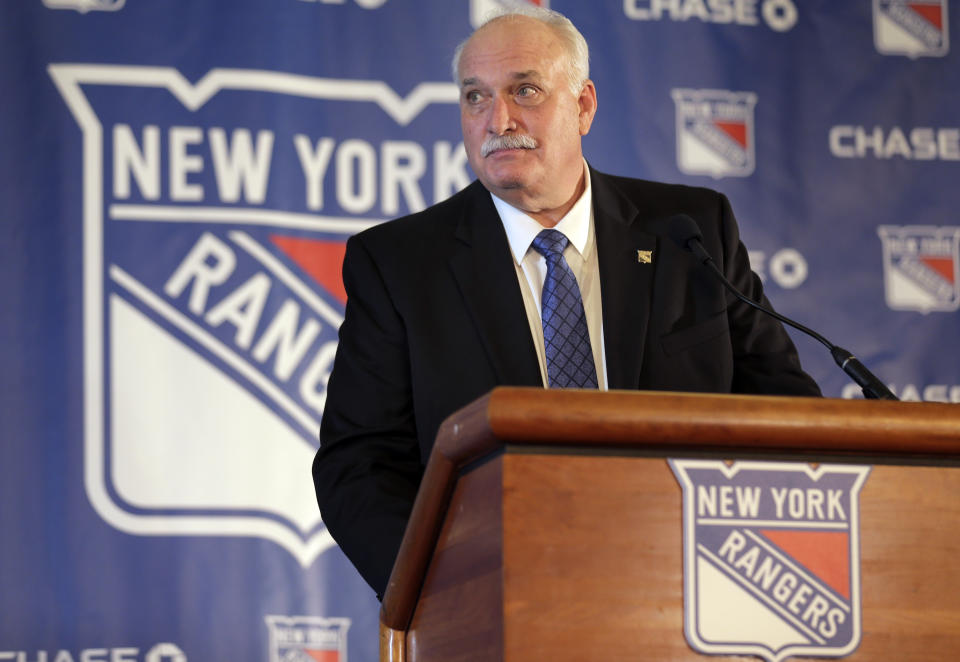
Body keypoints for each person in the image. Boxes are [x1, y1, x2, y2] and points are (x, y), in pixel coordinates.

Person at [312, 6, 821, 600]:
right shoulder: (400, 263)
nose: (497, 119)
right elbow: (359, 464)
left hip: (694, 587)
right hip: (498, 597)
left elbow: (786, 411)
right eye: (475, 97)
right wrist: (446, 590)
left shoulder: (690, 231)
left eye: (524, 90)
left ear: (583, 105)